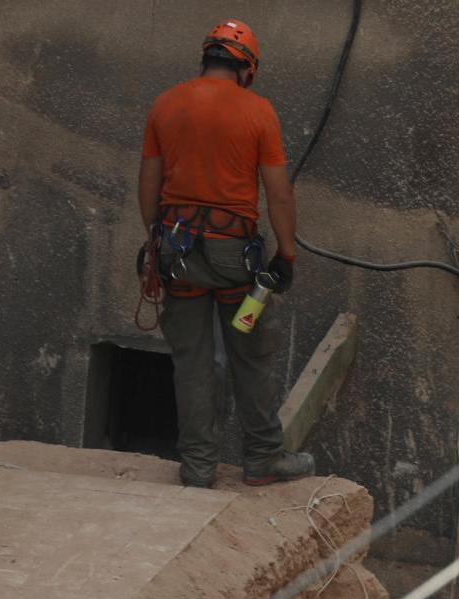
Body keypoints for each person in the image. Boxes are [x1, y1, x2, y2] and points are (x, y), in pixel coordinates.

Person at [138, 20, 313, 490]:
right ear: (247, 69)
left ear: (206, 58)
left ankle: (198, 468)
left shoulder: (166, 104)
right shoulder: (258, 112)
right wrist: (287, 255)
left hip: (179, 253)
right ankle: (262, 459)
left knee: (191, 360)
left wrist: (157, 242)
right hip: (236, 258)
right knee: (250, 355)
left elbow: (149, 184)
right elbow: (278, 194)